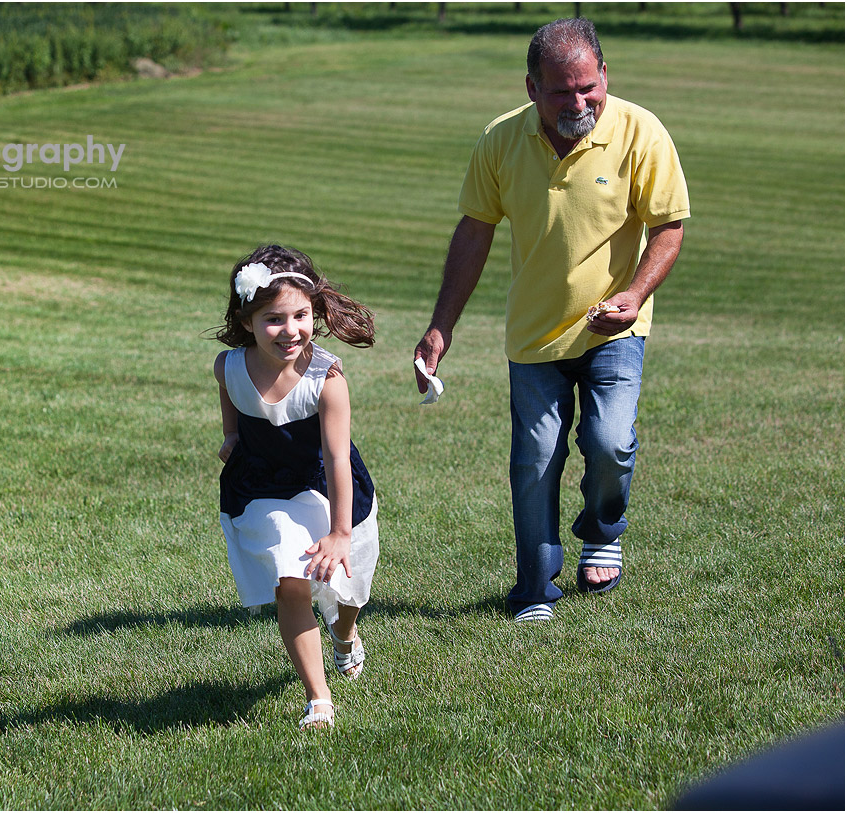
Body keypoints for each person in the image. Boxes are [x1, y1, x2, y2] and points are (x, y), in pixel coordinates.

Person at [414, 18, 690, 622]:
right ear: (533, 88)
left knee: (608, 442)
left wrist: (636, 295)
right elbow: (475, 232)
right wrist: (442, 325)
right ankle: (536, 588)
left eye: (589, 87)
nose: (579, 102)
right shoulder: (500, 140)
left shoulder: (640, 131)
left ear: (604, 75)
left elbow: (669, 227)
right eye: (562, 91)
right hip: (534, 334)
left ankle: (602, 529)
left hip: (613, 326)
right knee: (535, 458)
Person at [213, 244, 379, 730]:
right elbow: (229, 392)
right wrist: (231, 435)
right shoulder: (229, 366)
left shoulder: (325, 378)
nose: (290, 331)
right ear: (247, 320)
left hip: (327, 489)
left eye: (301, 316)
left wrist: (340, 533)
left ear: (315, 312)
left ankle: (345, 634)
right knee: (291, 582)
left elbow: (336, 457)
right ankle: (318, 698)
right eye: (273, 319)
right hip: (262, 487)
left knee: (346, 591)